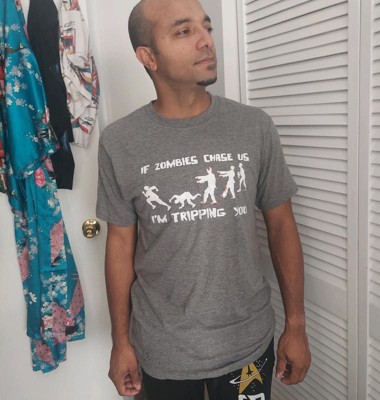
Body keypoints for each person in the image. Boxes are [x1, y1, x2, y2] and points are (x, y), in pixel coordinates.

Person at [96, 0, 311, 399]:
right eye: (184, 31)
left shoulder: (254, 127)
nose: (206, 41)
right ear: (148, 57)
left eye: (206, 28)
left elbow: (282, 225)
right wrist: (120, 341)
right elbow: (120, 243)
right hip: (162, 347)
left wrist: (296, 324)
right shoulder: (119, 142)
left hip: (247, 343)